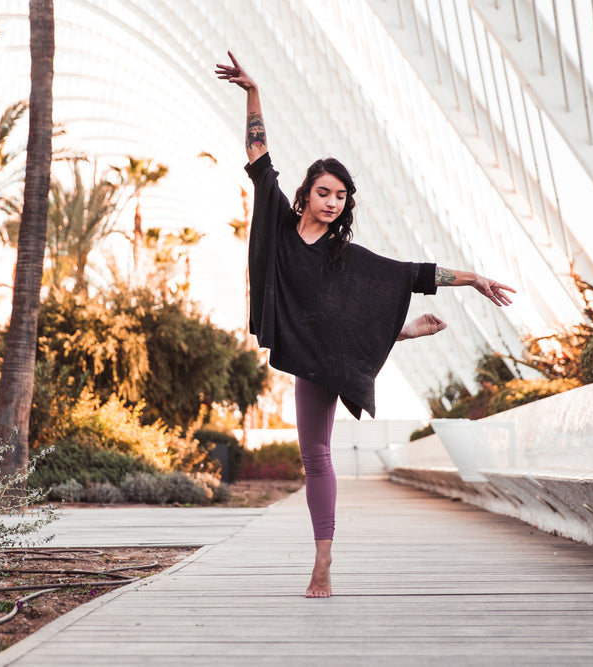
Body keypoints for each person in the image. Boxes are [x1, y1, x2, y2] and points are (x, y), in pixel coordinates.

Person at [216, 52, 516, 598]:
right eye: (324, 192)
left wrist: (473, 278)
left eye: (341, 196)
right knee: (313, 455)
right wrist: (253, 92)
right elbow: (258, 152)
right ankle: (403, 334)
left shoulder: (343, 258)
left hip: (324, 358)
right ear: (305, 193)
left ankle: (322, 562)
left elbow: (406, 274)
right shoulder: (279, 223)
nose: (332, 203)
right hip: (304, 346)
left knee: (318, 456)